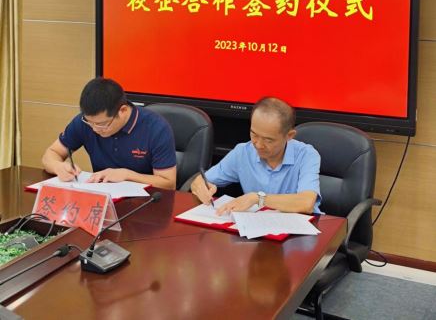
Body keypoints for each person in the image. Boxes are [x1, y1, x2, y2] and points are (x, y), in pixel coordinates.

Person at [191, 97, 321, 214]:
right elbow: (201, 181)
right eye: (254, 134)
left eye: (268, 140)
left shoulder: (306, 155)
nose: (258, 145)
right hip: (255, 228)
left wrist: (258, 198)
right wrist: (200, 186)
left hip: (298, 229)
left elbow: (306, 203)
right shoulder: (243, 152)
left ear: (289, 136)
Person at [42, 77, 177, 189]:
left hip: (147, 203)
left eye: (102, 124)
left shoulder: (156, 128)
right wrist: (58, 166)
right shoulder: (84, 122)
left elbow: (168, 183)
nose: (95, 129)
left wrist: (127, 175)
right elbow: (52, 153)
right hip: (102, 198)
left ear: (122, 111)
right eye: (90, 122)